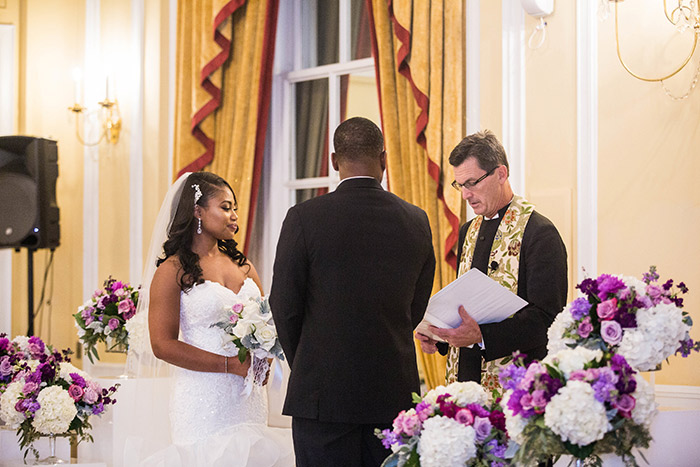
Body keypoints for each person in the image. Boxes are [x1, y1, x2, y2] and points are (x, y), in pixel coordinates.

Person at [269, 117, 436, 467]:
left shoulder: (303, 217)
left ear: (333, 161)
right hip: (392, 392)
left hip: (321, 397)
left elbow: (284, 305)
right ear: (384, 159)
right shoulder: (416, 220)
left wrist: (311, 359)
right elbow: (415, 305)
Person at [138, 171, 294, 467]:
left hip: (248, 398)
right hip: (202, 397)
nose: (234, 215)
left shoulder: (243, 265)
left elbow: (266, 321)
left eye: (234, 208)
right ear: (197, 211)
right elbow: (162, 344)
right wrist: (228, 365)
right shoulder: (172, 271)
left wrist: (265, 357)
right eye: (225, 207)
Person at [415, 130, 567, 390]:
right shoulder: (467, 231)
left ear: (501, 174)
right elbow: (467, 306)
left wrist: (482, 336)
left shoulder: (539, 232)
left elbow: (547, 319)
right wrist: (439, 335)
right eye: (460, 185)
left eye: (472, 183)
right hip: (465, 381)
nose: (465, 194)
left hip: (517, 386)